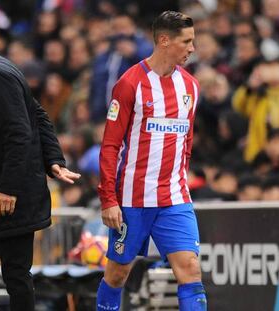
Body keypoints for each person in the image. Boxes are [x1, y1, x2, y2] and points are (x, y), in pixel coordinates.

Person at [0, 9, 80, 311]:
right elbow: (38, 115)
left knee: (15, 272)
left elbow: (20, 134)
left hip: (9, 194)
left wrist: (8, 187)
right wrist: (54, 158)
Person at [96, 11, 207, 310]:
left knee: (190, 270)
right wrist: (108, 198)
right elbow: (109, 146)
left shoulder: (191, 87)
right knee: (117, 275)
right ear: (164, 40)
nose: (192, 48)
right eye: (187, 41)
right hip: (133, 198)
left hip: (174, 197)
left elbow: (186, 142)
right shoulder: (130, 83)